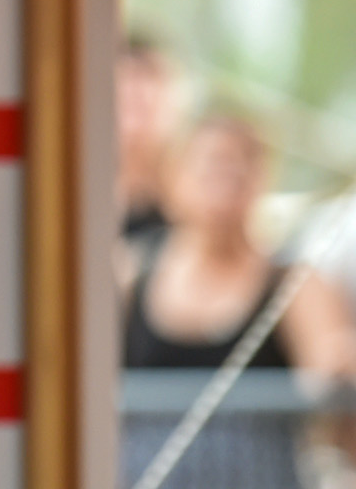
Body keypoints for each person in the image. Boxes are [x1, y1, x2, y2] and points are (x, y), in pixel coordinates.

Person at [120, 114, 356, 488]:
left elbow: (330, 357)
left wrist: (337, 362)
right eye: (210, 165)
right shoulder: (130, 274)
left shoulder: (293, 284)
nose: (224, 180)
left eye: (238, 165)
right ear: (174, 176)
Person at [118, 33, 179, 243]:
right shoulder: (82, 179)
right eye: (128, 79)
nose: (138, 92)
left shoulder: (185, 185)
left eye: (149, 79)